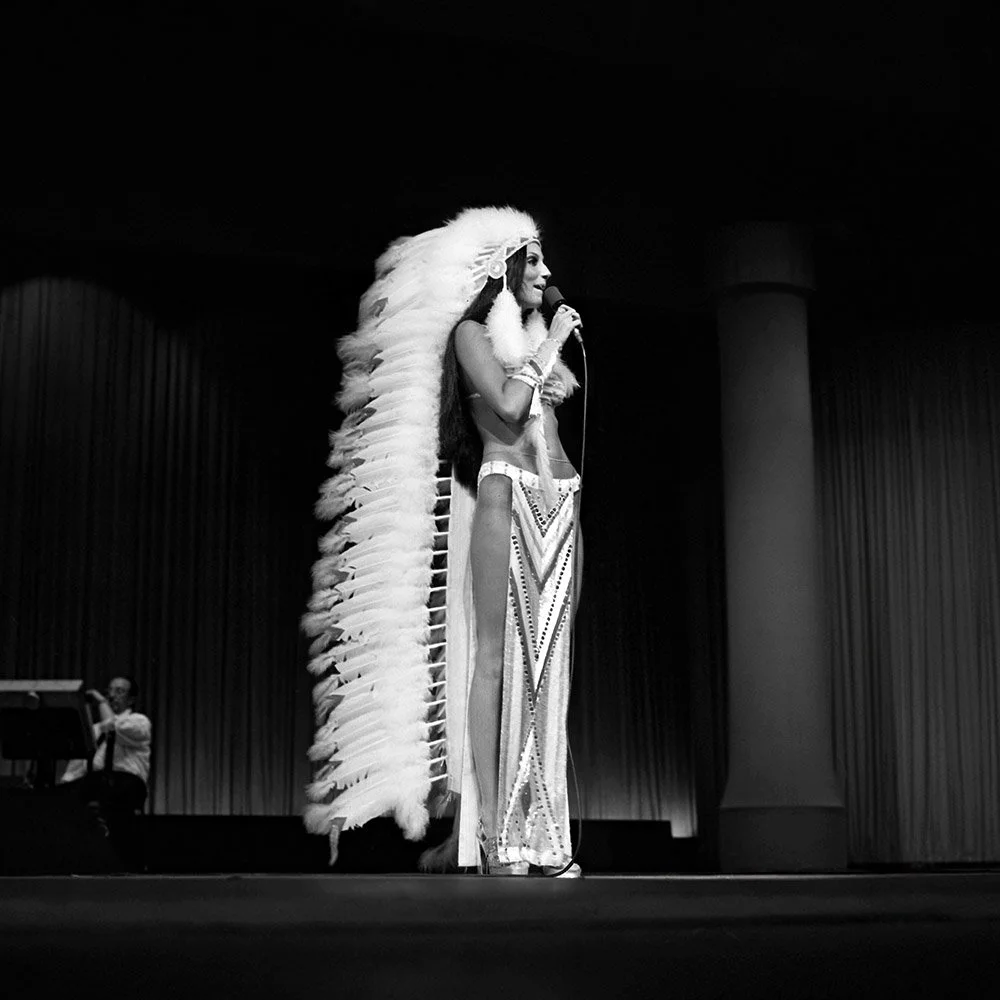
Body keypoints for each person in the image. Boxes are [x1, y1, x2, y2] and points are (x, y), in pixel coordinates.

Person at [303, 207, 583, 876]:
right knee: (497, 661)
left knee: (549, 673)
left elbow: (547, 402)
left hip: (560, 501)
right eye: (534, 262)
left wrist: (546, 341)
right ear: (502, 271)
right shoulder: (469, 336)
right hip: (505, 498)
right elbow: (510, 410)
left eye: (545, 262)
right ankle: (492, 834)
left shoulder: (531, 339)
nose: (546, 274)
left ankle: (542, 834)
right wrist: (553, 344)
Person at [61, 676, 152, 854]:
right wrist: (66, 783)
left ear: (131, 699)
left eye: (119, 691)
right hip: (96, 783)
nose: (112, 696)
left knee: (102, 784)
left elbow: (113, 727)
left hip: (127, 783)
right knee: (68, 794)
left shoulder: (139, 721)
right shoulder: (95, 729)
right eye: (109, 691)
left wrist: (100, 701)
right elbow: (77, 766)